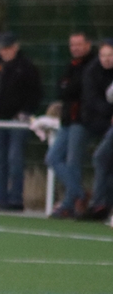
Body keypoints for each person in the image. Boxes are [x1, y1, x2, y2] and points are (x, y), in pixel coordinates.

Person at [0, 31, 42, 211]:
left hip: (18, 121)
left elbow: (35, 93)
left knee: (14, 159)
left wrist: (25, 112)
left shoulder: (26, 67)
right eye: (1, 48)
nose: (4, 52)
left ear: (16, 47)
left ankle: (15, 200)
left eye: (7, 48)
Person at [46, 31, 98, 218]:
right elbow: (61, 89)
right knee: (52, 158)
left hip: (82, 120)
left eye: (78, 44)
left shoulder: (93, 65)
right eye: (72, 45)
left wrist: (68, 89)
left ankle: (69, 204)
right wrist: (67, 89)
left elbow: (76, 89)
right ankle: (80, 194)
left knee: (73, 162)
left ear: (88, 45)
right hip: (68, 119)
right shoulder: (72, 65)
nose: (75, 48)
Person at [79, 39, 113, 220]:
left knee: (101, 157)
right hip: (100, 123)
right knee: (102, 158)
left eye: (110, 55)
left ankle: (100, 204)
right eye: (103, 55)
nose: (106, 59)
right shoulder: (93, 71)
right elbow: (92, 99)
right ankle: (100, 205)